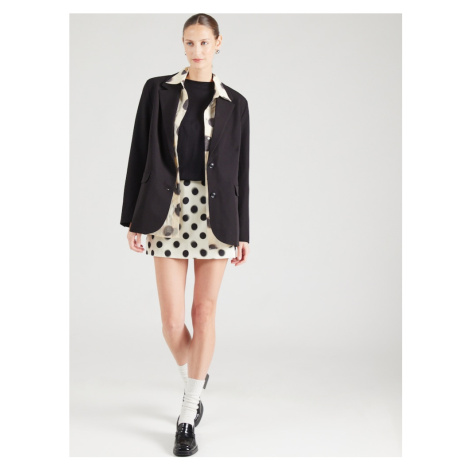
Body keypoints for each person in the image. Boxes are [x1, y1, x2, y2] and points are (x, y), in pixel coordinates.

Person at [120, 13, 250, 457]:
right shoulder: (157, 90)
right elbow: (139, 153)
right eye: (189, 43)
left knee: (204, 310)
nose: (196, 51)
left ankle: (187, 413)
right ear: (183, 44)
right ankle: (195, 376)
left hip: (216, 215)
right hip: (167, 211)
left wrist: (244, 230)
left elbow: (240, 171)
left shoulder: (235, 103)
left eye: (204, 43)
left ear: (218, 43)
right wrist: (132, 218)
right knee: (173, 322)